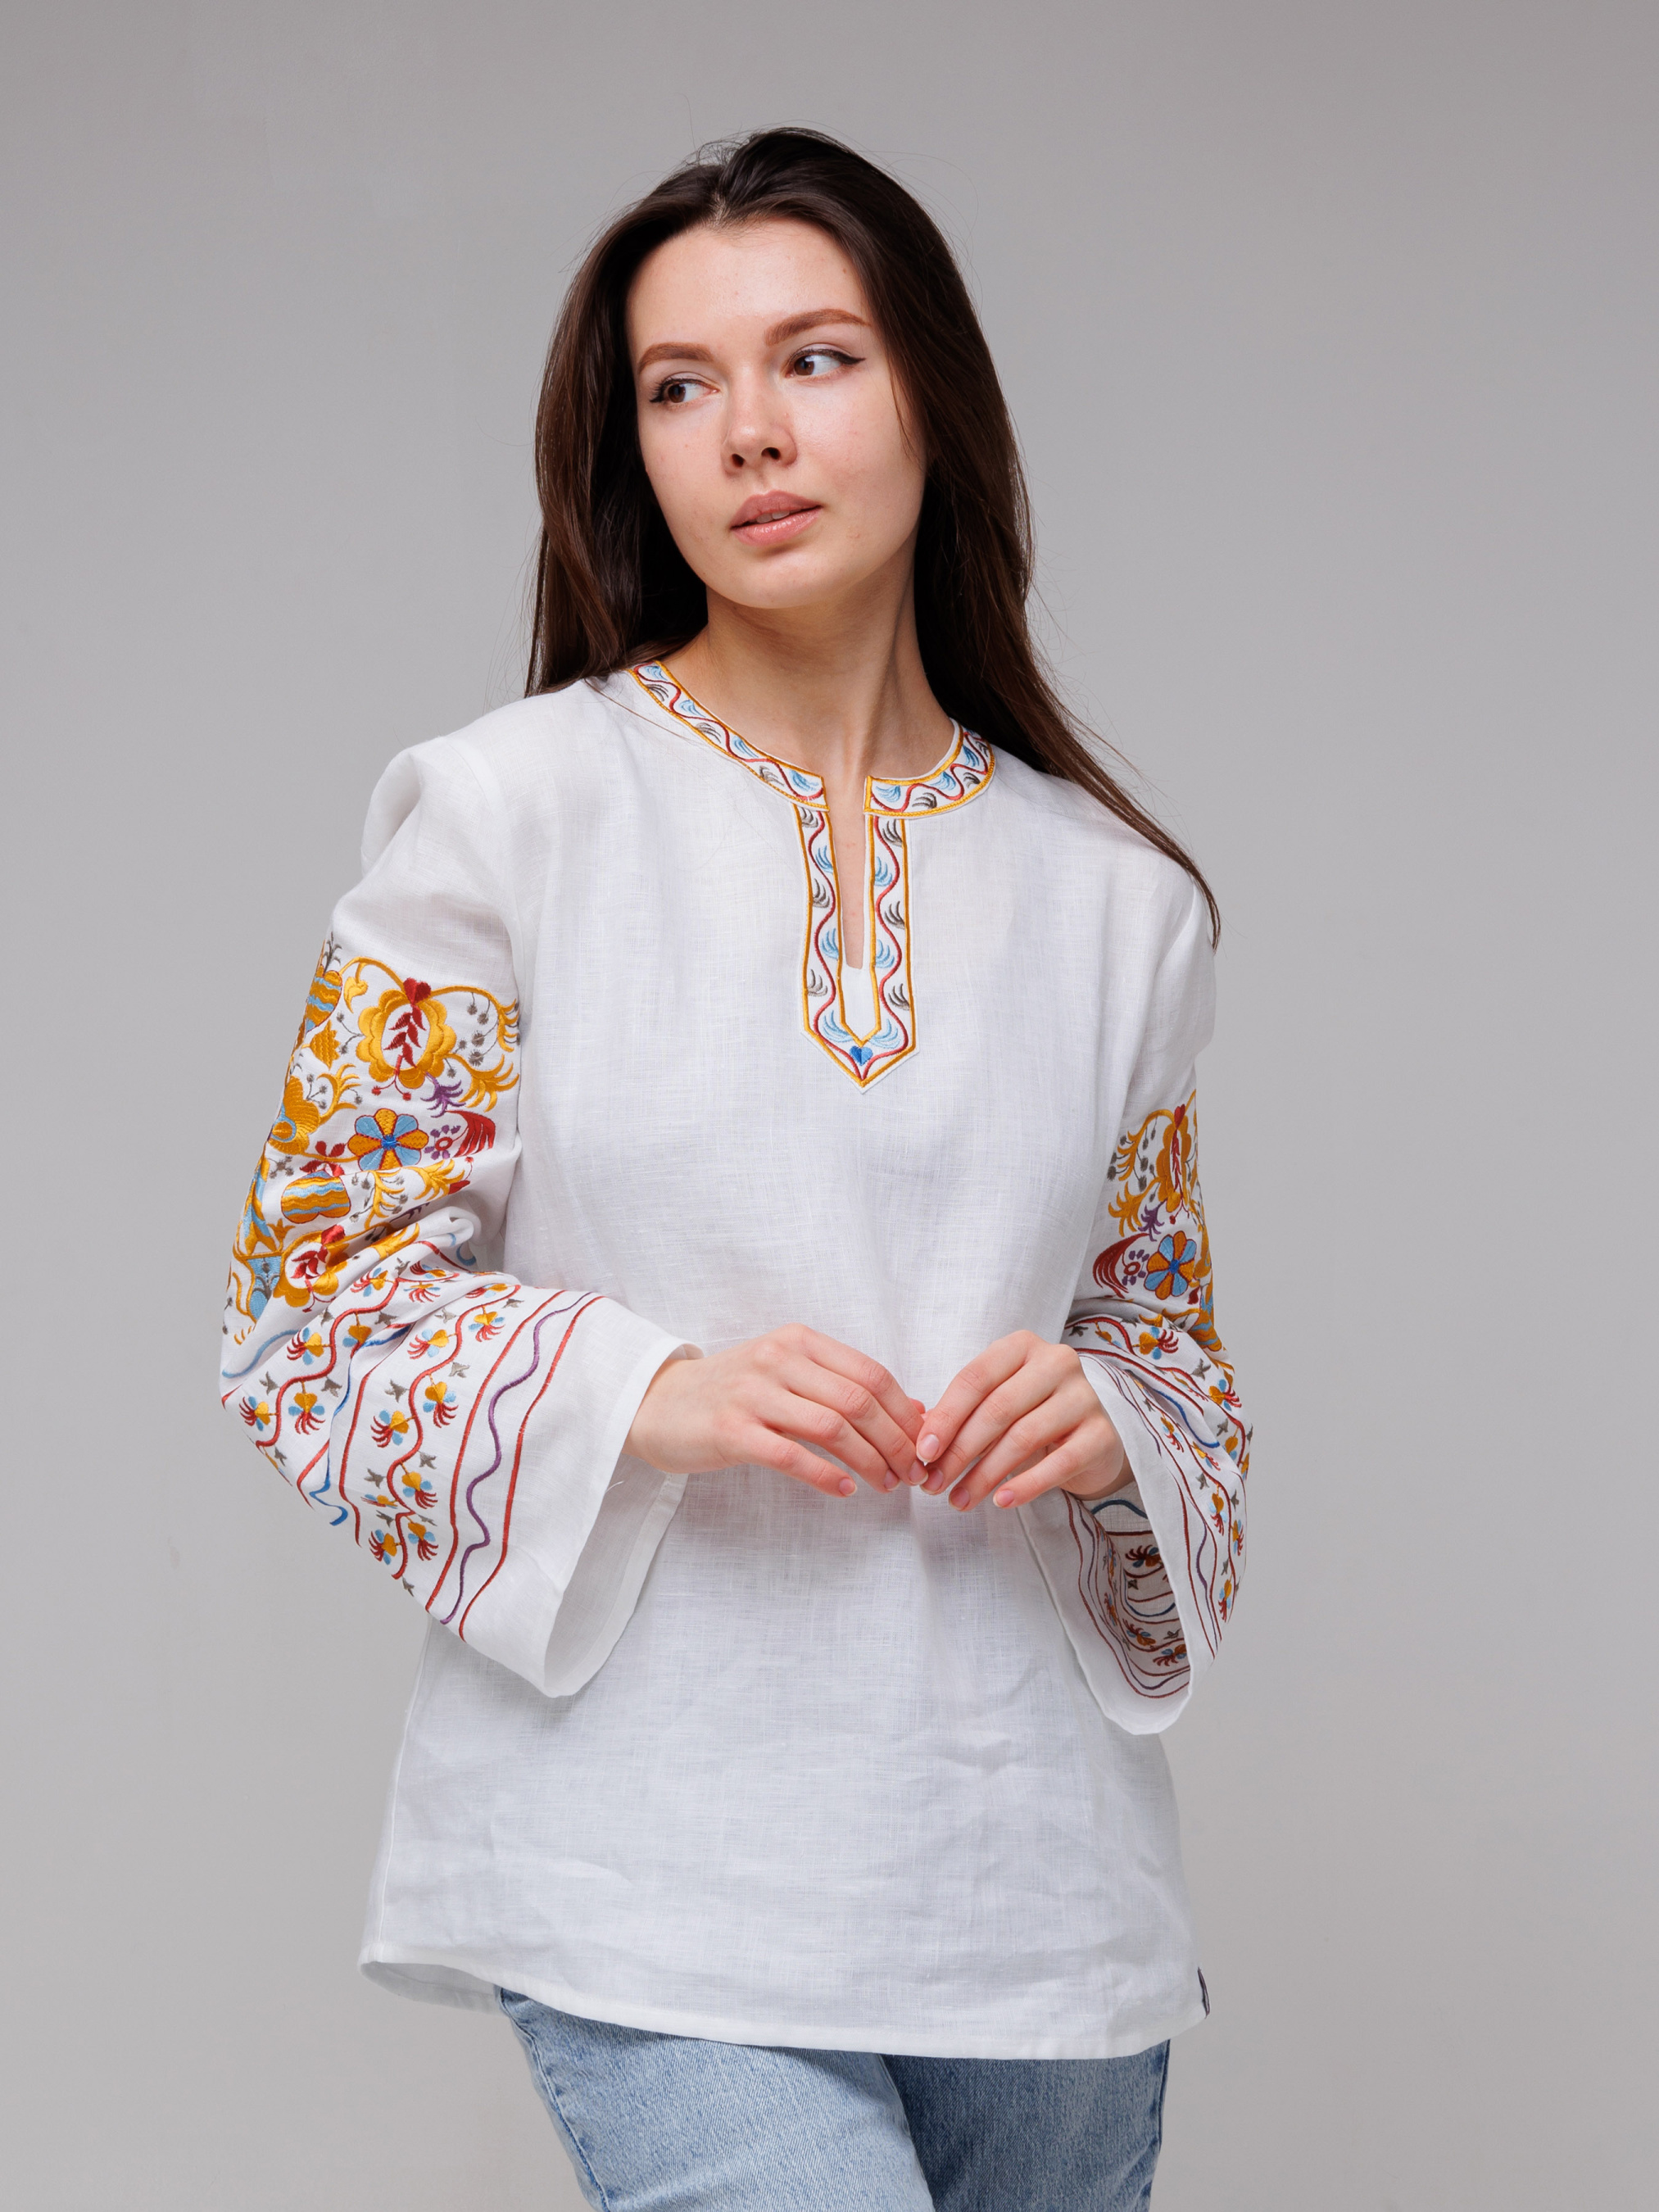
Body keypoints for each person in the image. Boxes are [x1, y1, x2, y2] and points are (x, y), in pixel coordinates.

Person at [220, 127, 1249, 2212]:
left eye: (814, 360)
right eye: (678, 386)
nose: (748, 433)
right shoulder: (501, 817)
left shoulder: (1116, 903)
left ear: (933, 397)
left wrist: (1106, 1418)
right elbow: (308, 1307)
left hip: (1028, 1881)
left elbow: (1168, 1353)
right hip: (647, 1852)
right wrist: (654, 1393)